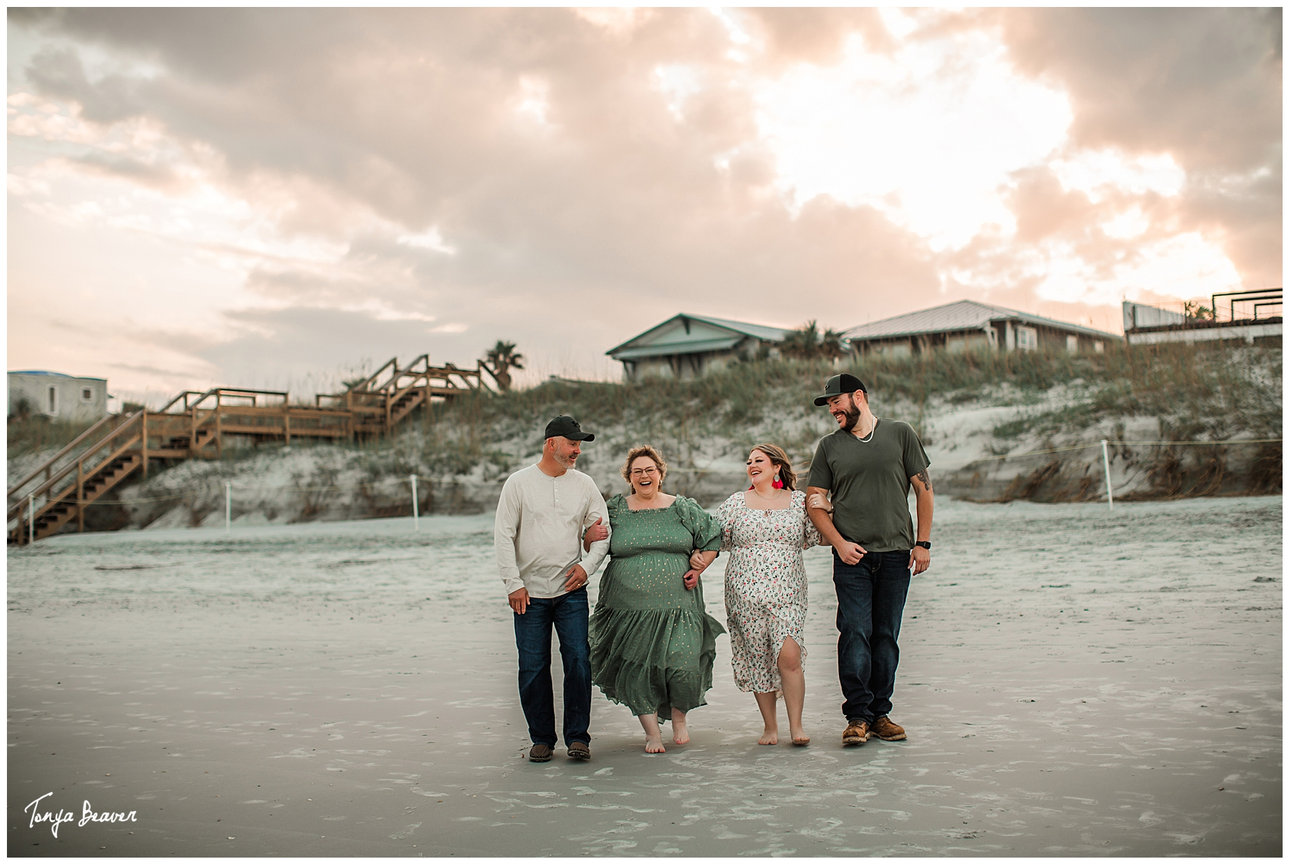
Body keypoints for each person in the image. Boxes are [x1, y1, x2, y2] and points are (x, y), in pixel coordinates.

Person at [805, 373, 933, 748]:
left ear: (858, 397)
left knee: (886, 636)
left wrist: (922, 543)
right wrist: (840, 544)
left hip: (896, 554)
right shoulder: (829, 447)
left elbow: (924, 490)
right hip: (852, 558)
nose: (832, 410)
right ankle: (857, 716)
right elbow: (815, 502)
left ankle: (881, 714)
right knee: (855, 632)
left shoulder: (900, 433)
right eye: (829, 405)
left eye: (836, 402)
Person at [588, 445, 724, 754]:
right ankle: (651, 733)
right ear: (629, 478)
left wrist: (701, 563)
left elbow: (712, 535)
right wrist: (586, 539)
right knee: (639, 668)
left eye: (650, 470)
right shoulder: (615, 510)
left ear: (660, 475)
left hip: (679, 606)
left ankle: (679, 718)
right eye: (637, 471)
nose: (644, 475)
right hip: (627, 608)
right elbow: (592, 540)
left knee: (682, 665)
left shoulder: (682, 508)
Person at [494, 415, 609, 763]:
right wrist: (513, 583)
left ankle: (578, 737)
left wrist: (586, 567)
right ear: (551, 444)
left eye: (579, 445)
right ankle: (542, 738)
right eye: (573, 443)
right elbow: (503, 536)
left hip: (570, 591)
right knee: (532, 666)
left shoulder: (585, 485)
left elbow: (601, 534)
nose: (577, 450)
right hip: (528, 594)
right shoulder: (518, 483)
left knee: (577, 661)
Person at [706, 443, 821, 746]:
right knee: (758, 658)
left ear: (776, 467)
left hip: (789, 592)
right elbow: (712, 538)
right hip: (744, 594)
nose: (752, 465)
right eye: (749, 461)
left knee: (789, 656)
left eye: (759, 460)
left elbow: (817, 535)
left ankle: (796, 726)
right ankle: (770, 726)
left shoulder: (799, 501)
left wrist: (828, 506)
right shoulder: (736, 503)